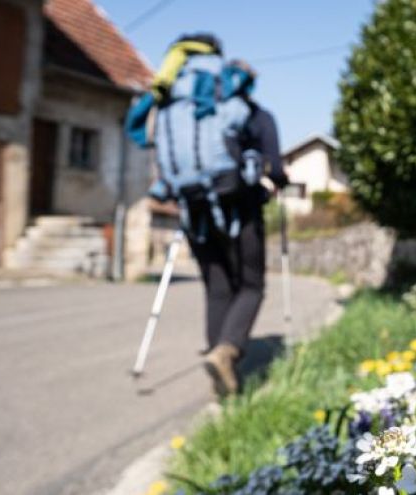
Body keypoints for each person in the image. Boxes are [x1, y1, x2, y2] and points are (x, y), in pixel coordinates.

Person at [126, 34, 287, 396]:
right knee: (250, 284)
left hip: (191, 202)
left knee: (217, 288)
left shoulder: (171, 101)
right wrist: (275, 181)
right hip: (238, 203)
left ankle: (221, 372)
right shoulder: (249, 109)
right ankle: (227, 353)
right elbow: (274, 167)